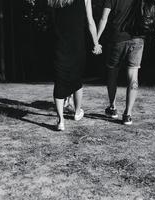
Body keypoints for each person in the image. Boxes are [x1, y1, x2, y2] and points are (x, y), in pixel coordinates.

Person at [97, 0, 155, 125]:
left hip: (117, 39)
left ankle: (112, 107)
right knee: (133, 76)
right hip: (137, 39)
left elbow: (103, 18)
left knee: (112, 73)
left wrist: (97, 39)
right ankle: (128, 115)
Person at [49, 0, 102, 131]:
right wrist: (96, 43)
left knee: (59, 81)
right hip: (77, 45)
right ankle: (77, 112)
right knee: (77, 79)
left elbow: (52, 22)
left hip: (59, 44)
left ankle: (60, 120)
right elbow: (90, 22)